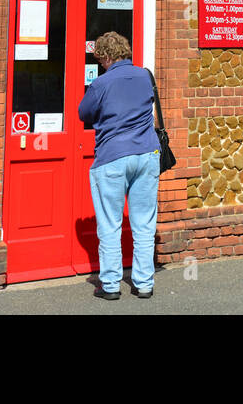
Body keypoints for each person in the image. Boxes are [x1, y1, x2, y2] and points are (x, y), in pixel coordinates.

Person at [77, 31, 160, 300]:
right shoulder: (145, 76)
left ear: (105, 56)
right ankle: (144, 284)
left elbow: (83, 114)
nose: (100, 62)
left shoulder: (101, 83)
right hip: (147, 154)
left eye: (99, 58)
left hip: (112, 156)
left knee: (110, 224)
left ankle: (111, 285)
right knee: (144, 224)